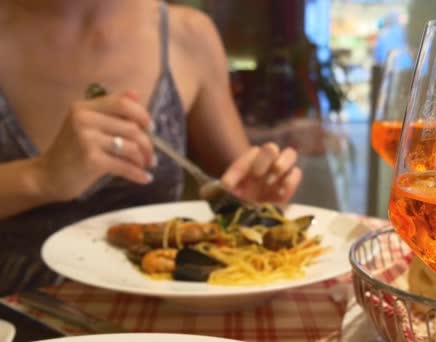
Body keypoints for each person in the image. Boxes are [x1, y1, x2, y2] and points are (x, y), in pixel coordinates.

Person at [0, 0, 302, 295]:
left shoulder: (187, 34)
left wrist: (259, 197)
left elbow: (242, 192)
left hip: (165, 318)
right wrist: (40, 177)